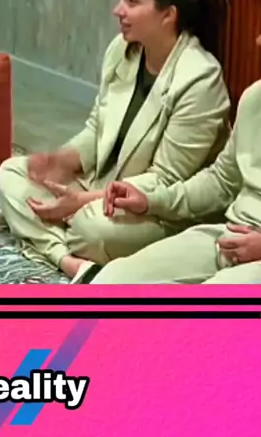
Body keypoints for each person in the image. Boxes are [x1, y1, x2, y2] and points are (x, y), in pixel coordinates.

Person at [0, 0, 231, 280]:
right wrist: (60, 161)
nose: (118, 10)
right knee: (10, 174)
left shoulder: (200, 78)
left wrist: (81, 202)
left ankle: (55, 238)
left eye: (131, 1)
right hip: (102, 187)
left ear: (168, 15)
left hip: (158, 206)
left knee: (90, 229)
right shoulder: (121, 50)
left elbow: (166, 180)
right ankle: (70, 261)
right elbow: (97, 128)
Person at [84, 64, 261, 285]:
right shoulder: (255, 99)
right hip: (230, 237)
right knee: (111, 280)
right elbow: (221, 182)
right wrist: (152, 200)